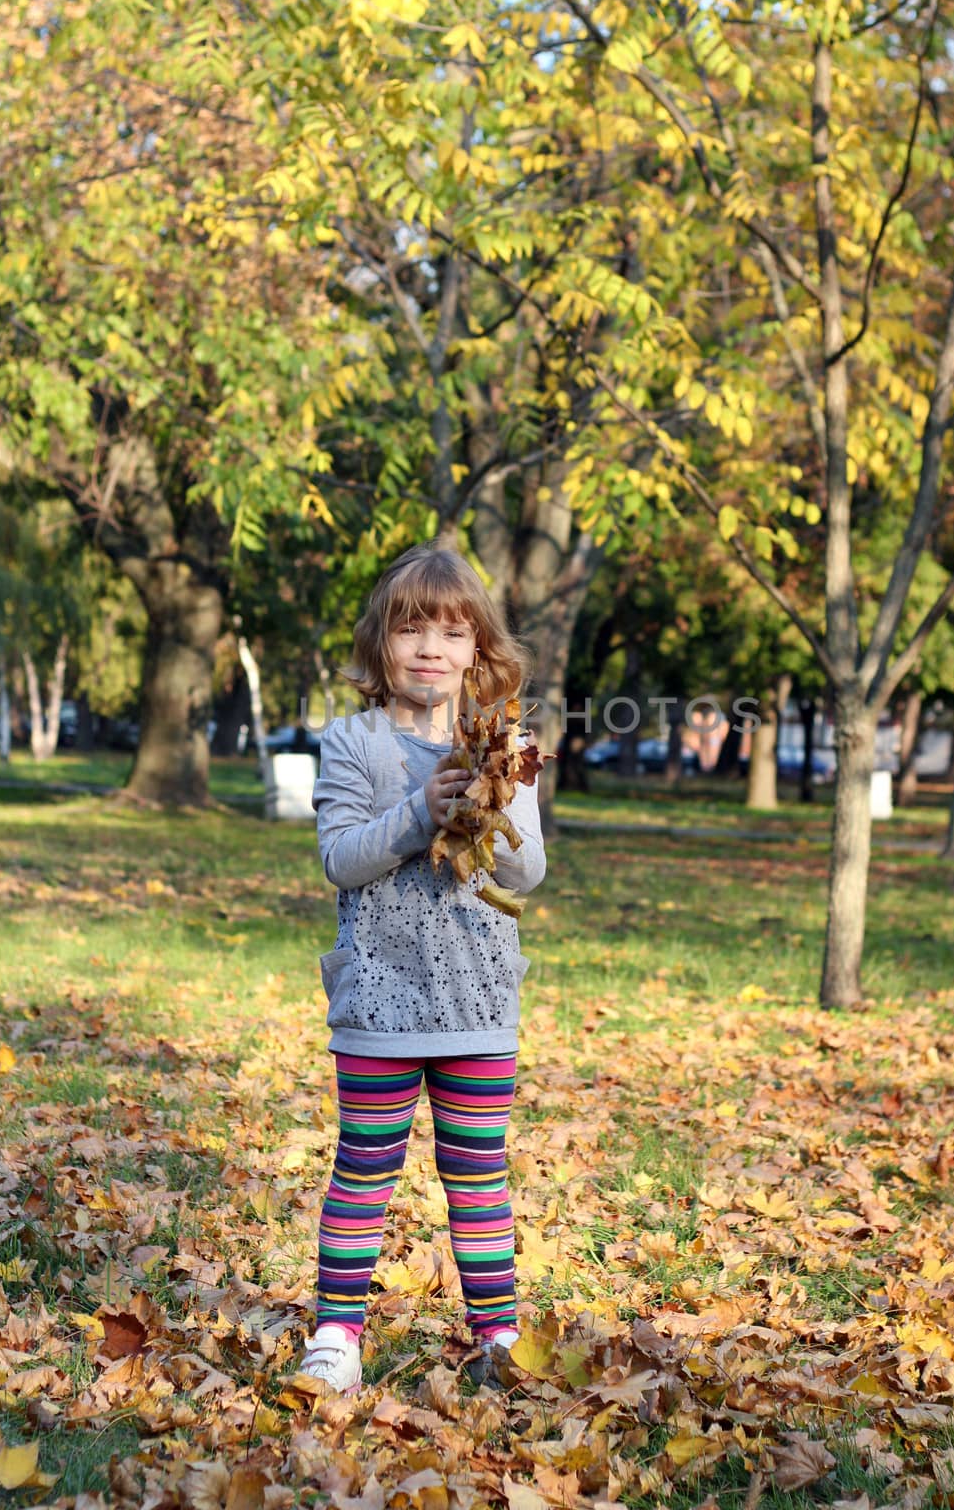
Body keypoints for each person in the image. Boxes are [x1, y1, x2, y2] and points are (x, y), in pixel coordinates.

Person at [299, 542, 546, 1397]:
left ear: (478, 648)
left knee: (478, 1174)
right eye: (411, 630)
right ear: (381, 645)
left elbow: (526, 874)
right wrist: (418, 812)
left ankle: (496, 1334)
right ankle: (336, 1331)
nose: (431, 648)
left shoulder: (503, 744)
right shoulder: (354, 744)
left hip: (478, 1002)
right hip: (379, 999)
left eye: (451, 631)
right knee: (364, 1164)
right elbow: (341, 859)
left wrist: (497, 798)